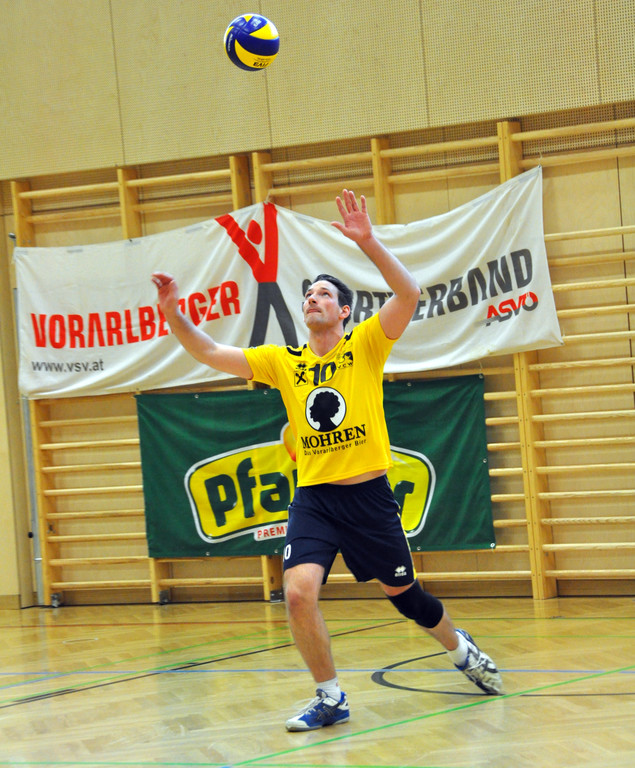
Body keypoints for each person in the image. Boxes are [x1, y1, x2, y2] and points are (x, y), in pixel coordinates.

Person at [152, 189, 503, 732]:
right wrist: (174, 314)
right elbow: (208, 351)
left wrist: (369, 242)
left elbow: (409, 293)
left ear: (343, 311)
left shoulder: (364, 345)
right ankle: (330, 696)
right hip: (315, 500)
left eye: (323, 294)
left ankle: (460, 649)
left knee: (406, 598)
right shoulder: (282, 361)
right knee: (297, 594)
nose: (312, 299)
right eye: (308, 294)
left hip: (368, 499)